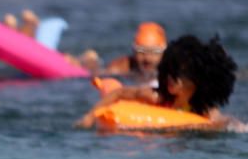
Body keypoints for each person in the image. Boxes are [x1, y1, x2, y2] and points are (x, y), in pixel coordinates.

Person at [77, 35, 240, 129]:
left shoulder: (204, 109)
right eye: (168, 74)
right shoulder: (157, 96)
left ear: (196, 83)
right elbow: (119, 92)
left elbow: (222, 122)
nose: (169, 79)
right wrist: (90, 116)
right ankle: (89, 59)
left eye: (177, 76)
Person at [101, 22, 167, 85]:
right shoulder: (119, 68)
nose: (148, 58)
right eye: (141, 51)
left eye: (155, 52)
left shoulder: (171, 69)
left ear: (164, 52)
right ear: (134, 51)